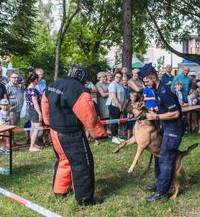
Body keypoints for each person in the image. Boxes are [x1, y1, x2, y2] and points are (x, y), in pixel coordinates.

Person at [41, 66, 107, 205]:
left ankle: (60, 190)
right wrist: (99, 134)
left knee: (63, 160)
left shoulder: (54, 84)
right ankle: (85, 198)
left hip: (54, 131)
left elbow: (45, 103)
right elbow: (89, 115)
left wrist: (48, 121)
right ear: (83, 78)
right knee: (82, 164)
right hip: (71, 133)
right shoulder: (79, 90)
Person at [140, 63, 185, 202]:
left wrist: (156, 117)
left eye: (147, 81)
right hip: (166, 127)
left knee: (165, 159)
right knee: (159, 156)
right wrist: (156, 110)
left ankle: (162, 192)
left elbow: (175, 113)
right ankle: (160, 184)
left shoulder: (165, 92)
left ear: (153, 77)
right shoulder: (158, 90)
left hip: (174, 130)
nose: (146, 84)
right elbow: (166, 108)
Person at [25, 72, 43, 152]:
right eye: (38, 79)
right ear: (35, 80)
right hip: (34, 111)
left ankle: (33, 144)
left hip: (30, 110)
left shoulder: (28, 88)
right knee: (37, 128)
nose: (38, 80)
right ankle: (31, 146)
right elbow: (35, 103)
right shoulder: (33, 91)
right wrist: (39, 113)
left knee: (32, 127)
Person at [107, 71, 126, 144]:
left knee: (117, 121)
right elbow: (114, 96)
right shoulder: (112, 84)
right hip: (114, 105)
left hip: (120, 105)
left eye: (120, 77)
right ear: (114, 77)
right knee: (114, 121)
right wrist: (119, 105)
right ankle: (113, 137)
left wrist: (123, 105)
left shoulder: (120, 84)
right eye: (117, 77)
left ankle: (116, 136)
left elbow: (124, 95)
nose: (119, 78)